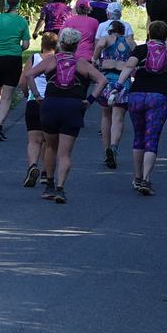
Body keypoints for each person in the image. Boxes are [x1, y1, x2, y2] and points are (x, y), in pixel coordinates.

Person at [20, 26, 107, 204]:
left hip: (50, 105)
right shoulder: (82, 63)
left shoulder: (51, 61)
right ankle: (60, 189)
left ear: (61, 43)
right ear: (76, 45)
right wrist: (89, 100)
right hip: (73, 107)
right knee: (65, 153)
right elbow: (102, 80)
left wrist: (37, 96)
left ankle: (49, 185)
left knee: (51, 147)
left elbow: (29, 75)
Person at [115, 20, 167, 196]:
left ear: (149, 33)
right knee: (151, 139)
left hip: (136, 97)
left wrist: (118, 85)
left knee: (138, 136)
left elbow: (129, 66)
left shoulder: (140, 50)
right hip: (159, 98)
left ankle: (137, 177)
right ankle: (146, 179)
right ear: (166, 35)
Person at [0, 0, 32, 142]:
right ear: (18, 5)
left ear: (6, 4)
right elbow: (25, 45)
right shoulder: (22, 21)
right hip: (13, 59)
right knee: (7, 95)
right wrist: (17, 49)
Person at [93, 15, 135, 169]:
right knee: (118, 118)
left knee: (106, 116)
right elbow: (137, 57)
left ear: (111, 30)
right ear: (123, 31)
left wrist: (95, 59)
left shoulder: (107, 38)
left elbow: (98, 46)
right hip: (123, 81)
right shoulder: (129, 41)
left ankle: (106, 150)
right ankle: (114, 148)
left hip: (107, 79)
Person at [21, 32, 59, 189]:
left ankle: (32, 166)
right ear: (56, 46)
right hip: (52, 102)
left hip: (34, 102)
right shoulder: (58, 61)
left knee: (33, 140)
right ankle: (45, 173)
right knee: (49, 142)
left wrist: (26, 94)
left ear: (42, 44)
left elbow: (23, 81)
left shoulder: (34, 58)